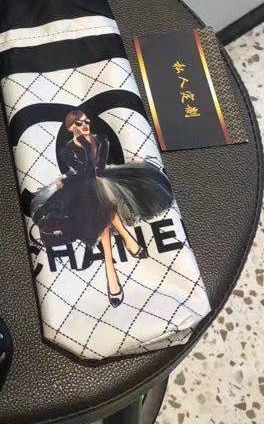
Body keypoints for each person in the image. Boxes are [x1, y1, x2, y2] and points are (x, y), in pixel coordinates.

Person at [29, 109, 174, 307]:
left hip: (102, 180)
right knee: (97, 198)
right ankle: (124, 246)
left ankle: (112, 269)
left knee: (101, 195)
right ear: (70, 128)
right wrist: (81, 151)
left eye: (86, 121)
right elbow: (84, 172)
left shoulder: (102, 139)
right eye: (79, 123)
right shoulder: (67, 150)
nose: (84, 125)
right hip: (82, 186)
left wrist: (94, 147)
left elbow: (100, 169)